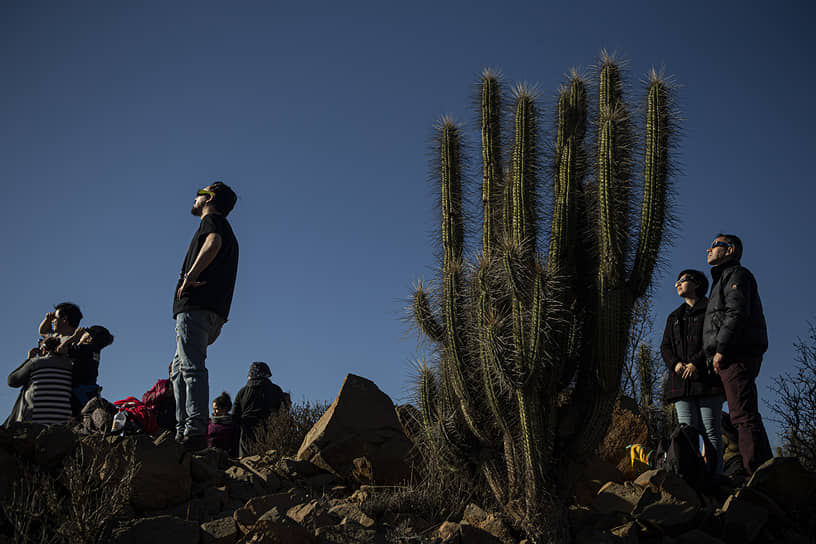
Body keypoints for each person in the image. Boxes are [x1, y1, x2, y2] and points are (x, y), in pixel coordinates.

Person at [171, 182, 239, 451]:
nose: (195, 196)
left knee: (190, 369)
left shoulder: (213, 222)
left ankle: (194, 430)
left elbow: (213, 242)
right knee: (178, 370)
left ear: (208, 197)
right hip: (212, 314)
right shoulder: (226, 228)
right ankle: (182, 429)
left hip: (196, 308)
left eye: (200, 192)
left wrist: (190, 276)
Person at [703, 233, 773, 476]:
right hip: (733, 353)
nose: (708, 249)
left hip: (736, 353)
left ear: (730, 250)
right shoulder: (723, 277)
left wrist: (721, 349)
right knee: (744, 412)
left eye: (715, 245)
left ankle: (754, 472)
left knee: (742, 415)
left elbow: (736, 313)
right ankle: (764, 469)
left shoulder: (736, 275)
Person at [661, 269, 725, 473]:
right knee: (687, 430)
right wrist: (676, 365)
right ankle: (691, 476)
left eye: (683, 280)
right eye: (677, 281)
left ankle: (715, 474)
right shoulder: (674, 316)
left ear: (696, 284)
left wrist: (695, 363)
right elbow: (665, 346)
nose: (677, 284)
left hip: (707, 380)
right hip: (681, 382)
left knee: (710, 429)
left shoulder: (711, 310)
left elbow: (715, 339)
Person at [7, 336, 73, 425]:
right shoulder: (69, 366)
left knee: (27, 387)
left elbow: (12, 381)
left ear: (44, 349)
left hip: (34, 420)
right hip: (62, 420)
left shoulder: (35, 363)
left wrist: (29, 359)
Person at [233, 362, 290, 457]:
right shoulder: (276, 390)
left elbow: (235, 415)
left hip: (247, 430)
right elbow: (283, 411)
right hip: (270, 429)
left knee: (247, 461)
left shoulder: (242, 392)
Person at [56, 325, 114, 416]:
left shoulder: (85, 349)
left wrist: (74, 337)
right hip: (89, 392)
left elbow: (60, 349)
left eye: (84, 333)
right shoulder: (94, 351)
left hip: (78, 393)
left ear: (89, 338)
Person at [142, 363, 177, 434]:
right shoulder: (162, 384)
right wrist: (162, 393)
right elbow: (145, 399)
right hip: (158, 425)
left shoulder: (186, 388)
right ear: (170, 372)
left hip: (175, 428)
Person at [207, 391, 238, 456]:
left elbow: (234, 444)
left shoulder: (232, 425)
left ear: (225, 408)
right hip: (208, 453)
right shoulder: (209, 422)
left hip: (223, 456)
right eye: (213, 409)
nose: (214, 412)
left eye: (217, 409)